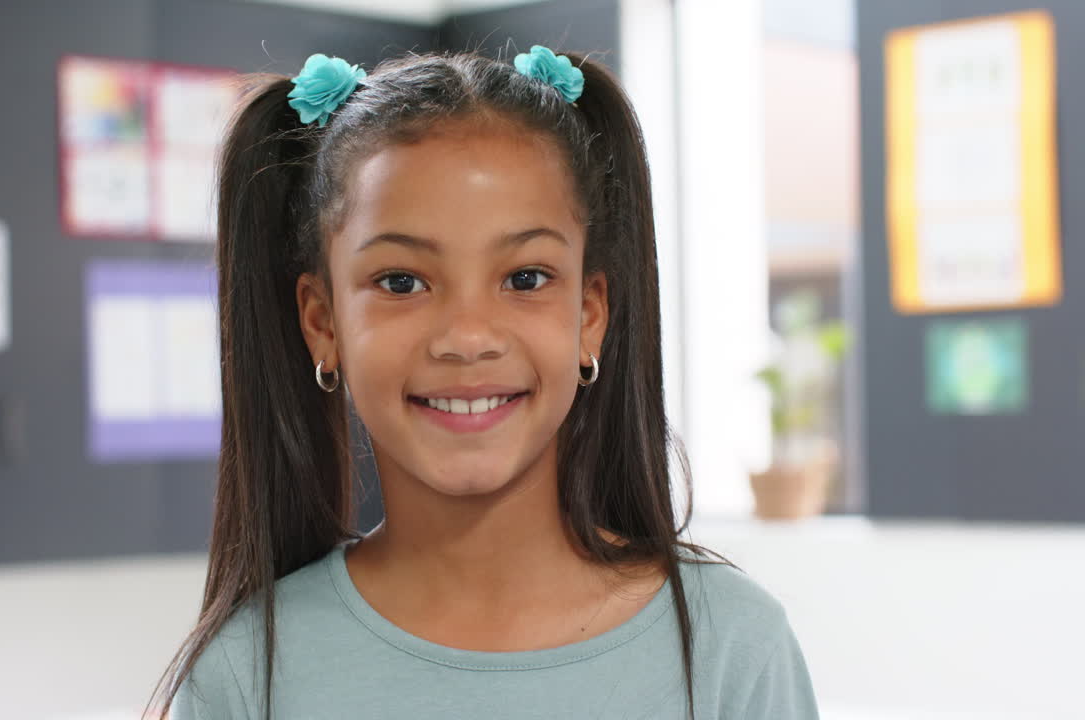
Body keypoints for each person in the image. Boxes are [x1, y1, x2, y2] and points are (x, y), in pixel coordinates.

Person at [151, 45, 820, 719]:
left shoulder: (732, 648)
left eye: (525, 279)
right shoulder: (243, 678)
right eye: (401, 282)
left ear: (590, 316)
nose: (468, 338)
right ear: (323, 324)